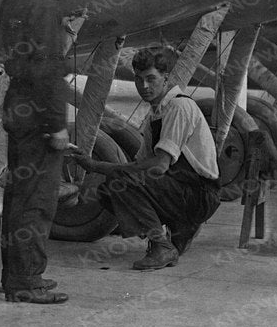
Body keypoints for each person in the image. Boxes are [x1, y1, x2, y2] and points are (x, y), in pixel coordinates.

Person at [67, 45, 221, 271]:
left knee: (120, 184)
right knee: (108, 190)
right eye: (138, 79)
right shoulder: (155, 114)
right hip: (183, 189)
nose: (144, 86)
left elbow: (158, 166)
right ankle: (179, 229)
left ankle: (162, 245)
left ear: (165, 78)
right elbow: (138, 164)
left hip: (200, 195)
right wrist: (95, 167)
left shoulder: (178, 107)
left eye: (151, 78)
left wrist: (96, 165)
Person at [0, 0, 82, 305]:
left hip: (19, 107)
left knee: (18, 197)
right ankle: (26, 281)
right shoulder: (44, 7)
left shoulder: (15, 0)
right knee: (37, 201)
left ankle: (17, 276)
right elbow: (47, 71)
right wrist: (57, 125)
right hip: (38, 114)